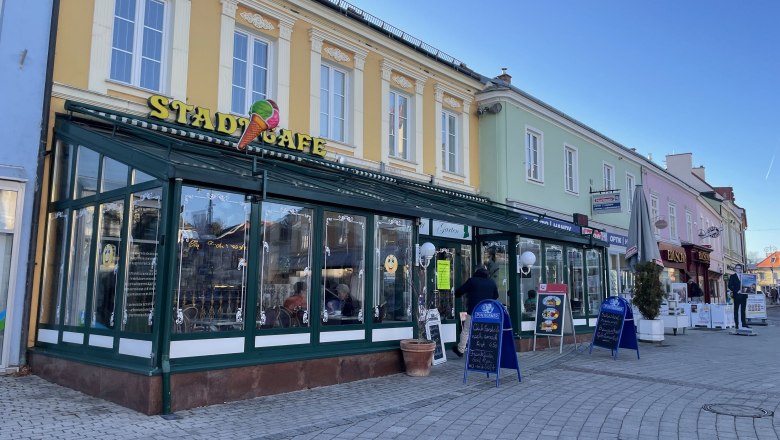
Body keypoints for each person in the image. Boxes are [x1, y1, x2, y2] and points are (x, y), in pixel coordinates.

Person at [451, 265, 499, 358]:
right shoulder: (491, 282)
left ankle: (460, 350)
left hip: (474, 310)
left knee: (466, 330)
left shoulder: (472, 281)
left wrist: (455, 293)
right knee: (485, 331)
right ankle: (486, 350)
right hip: (487, 313)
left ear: (476, 271)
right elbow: (495, 296)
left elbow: (460, 291)